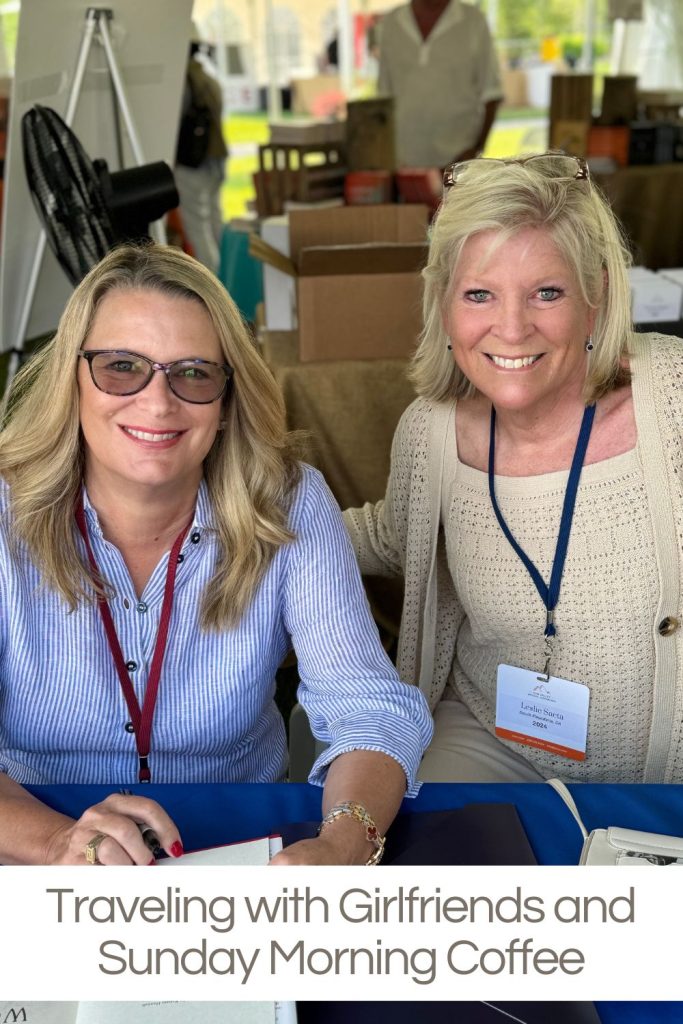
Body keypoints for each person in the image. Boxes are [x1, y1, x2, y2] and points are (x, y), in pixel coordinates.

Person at [0, 243, 432, 865]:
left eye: (193, 373)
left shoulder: (289, 502)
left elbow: (369, 709)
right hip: (37, 836)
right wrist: (55, 844)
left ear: (229, 402)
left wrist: (343, 843)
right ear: (72, 379)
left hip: (238, 843)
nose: (157, 401)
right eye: (121, 366)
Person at [344, 152, 683, 784]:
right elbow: (394, 536)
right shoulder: (432, 433)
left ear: (596, 293)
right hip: (492, 742)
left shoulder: (672, 399)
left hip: (666, 766)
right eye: (479, 294)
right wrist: (246, 528)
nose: (511, 328)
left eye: (546, 293)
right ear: (443, 303)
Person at [377, 0, 503, 169]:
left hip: (458, 164)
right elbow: (383, 97)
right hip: (404, 165)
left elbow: (492, 93)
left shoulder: (473, 21)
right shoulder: (391, 23)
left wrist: (475, 150)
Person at [174, 34, 228, 275]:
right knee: (215, 222)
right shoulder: (208, 78)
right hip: (215, 158)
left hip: (192, 163)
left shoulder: (183, 82)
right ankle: (227, 278)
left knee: (198, 228)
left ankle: (213, 285)